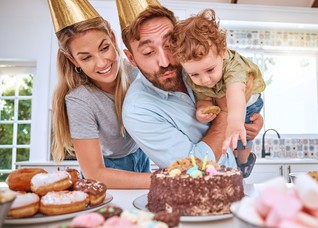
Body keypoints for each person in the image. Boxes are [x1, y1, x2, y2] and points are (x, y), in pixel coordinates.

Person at [115, 0, 263, 170]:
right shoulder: (138, 111)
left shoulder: (194, 64)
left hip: (235, 181)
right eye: (148, 52)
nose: (164, 62)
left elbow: (240, 83)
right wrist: (227, 112)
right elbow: (195, 166)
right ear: (131, 58)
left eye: (170, 45)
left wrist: (248, 121)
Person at [48, 0, 151, 189]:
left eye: (104, 48)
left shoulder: (137, 73)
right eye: (86, 57)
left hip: (142, 156)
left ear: (112, 38)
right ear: (73, 60)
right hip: (109, 170)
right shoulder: (80, 100)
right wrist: (163, 180)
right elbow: (94, 173)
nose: (102, 63)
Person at [170, 9, 266, 178]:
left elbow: (235, 94)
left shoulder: (234, 66)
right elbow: (203, 97)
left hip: (247, 102)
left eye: (210, 70)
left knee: (243, 135)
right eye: (195, 74)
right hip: (227, 101)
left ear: (222, 52)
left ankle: (243, 162)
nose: (205, 79)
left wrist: (235, 122)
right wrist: (202, 111)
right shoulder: (195, 75)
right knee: (232, 139)